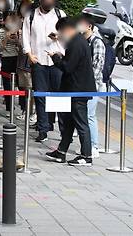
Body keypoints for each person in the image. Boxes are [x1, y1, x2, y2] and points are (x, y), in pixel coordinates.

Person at [45, 17, 96, 166]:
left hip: (77, 90)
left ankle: (86, 155)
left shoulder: (76, 43)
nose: (60, 34)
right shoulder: (77, 41)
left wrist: (56, 58)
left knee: (81, 123)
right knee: (69, 122)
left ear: (67, 29)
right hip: (73, 89)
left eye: (61, 31)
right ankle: (61, 152)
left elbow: (68, 68)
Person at [22, 0, 65, 142]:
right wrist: (29, 54)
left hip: (57, 60)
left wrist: (59, 37)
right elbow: (25, 36)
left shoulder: (60, 15)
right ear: (40, 0)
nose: (49, 4)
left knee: (59, 96)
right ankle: (43, 128)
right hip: (38, 60)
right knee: (40, 96)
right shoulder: (31, 16)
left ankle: (63, 129)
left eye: (51, 1)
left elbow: (68, 35)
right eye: (46, 1)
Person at [78, 16, 104, 158]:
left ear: (89, 26)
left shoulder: (97, 42)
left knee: (89, 115)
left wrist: (86, 81)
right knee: (84, 116)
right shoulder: (83, 41)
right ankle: (87, 146)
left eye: (81, 24)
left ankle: (94, 146)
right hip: (84, 85)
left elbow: (97, 67)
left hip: (93, 86)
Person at [0, 12, 22, 113]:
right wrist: (6, 38)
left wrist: (17, 40)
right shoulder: (0, 32)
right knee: (7, 84)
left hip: (17, 58)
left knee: (20, 84)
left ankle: (23, 106)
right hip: (6, 58)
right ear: (4, 21)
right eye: (9, 20)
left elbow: (22, 48)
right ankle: (9, 107)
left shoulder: (18, 31)